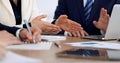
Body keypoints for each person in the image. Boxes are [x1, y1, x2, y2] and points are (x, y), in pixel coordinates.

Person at [53, 0, 120, 37]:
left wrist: (107, 29)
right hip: (71, 50)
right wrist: (66, 31)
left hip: (102, 53)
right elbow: (56, 22)